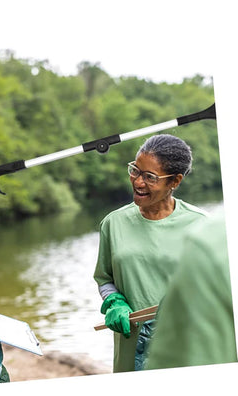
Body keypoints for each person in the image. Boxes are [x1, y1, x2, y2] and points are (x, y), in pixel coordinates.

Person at [93, 134, 208, 373]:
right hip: (130, 347)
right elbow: (105, 280)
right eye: (135, 170)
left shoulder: (201, 225)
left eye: (149, 177)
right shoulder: (113, 224)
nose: (138, 182)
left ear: (174, 181)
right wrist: (114, 302)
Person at [145, 212, 237, 369]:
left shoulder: (205, 232)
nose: (139, 185)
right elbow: (104, 278)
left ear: (173, 185)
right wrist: (113, 299)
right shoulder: (112, 223)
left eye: (153, 184)